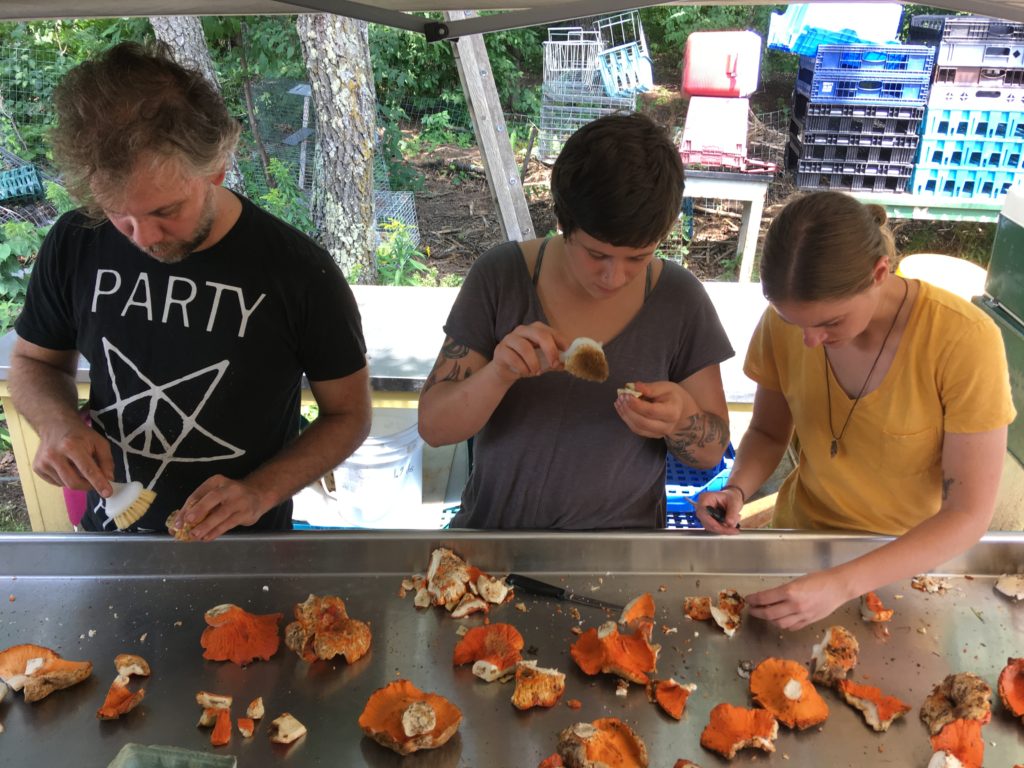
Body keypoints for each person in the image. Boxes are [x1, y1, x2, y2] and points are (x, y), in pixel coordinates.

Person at [9, 42, 371, 540]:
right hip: (110, 534)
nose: (143, 238)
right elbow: (34, 364)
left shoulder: (299, 273)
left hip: (245, 547)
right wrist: (55, 422)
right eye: (120, 213)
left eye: (164, 212)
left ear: (216, 167)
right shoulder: (78, 239)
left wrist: (259, 492)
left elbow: (349, 415)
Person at [697, 190, 1015, 628]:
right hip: (798, 542)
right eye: (795, 322)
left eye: (831, 323)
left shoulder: (963, 341)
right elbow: (769, 433)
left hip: (905, 565)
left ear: (879, 273)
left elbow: (967, 513)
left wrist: (841, 583)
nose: (810, 340)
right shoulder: (785, 324)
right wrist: (738, 490)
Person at [417, 112, 733, 529]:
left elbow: (712, 451)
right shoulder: (502, 277)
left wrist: (679, 421)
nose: (613, 277)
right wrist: (498, 373)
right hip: (497, 540)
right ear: (563, 223)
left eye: (637, 258)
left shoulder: (678, 298)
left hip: (622, 551)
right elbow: (434, 428)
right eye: (596, 254)